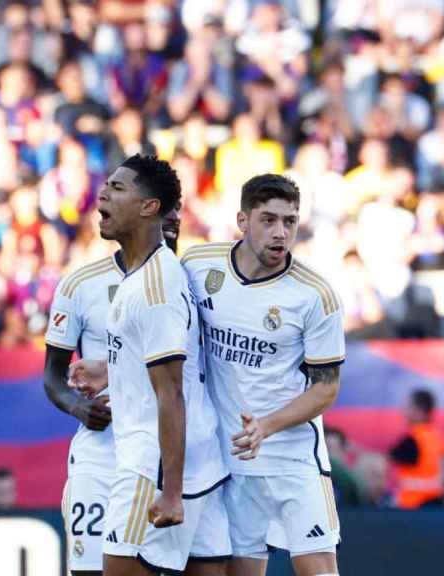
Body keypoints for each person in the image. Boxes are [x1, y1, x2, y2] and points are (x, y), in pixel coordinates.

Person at [72, 155, 230, 576]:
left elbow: (170, 392)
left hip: (154, 465)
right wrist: (112, 367)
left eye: (119, 188)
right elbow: (173, 359)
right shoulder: (149, 274)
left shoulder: (155, 288)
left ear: (150, 207)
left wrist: (171, 490)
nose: (103, 194)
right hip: (200, 462)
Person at [181, 174, 345, 576]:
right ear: (242, 219)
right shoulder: (198, 266)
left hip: (292, 459)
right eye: (268, 220)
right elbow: (164, 335)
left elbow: (326, 389)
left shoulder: (314, 295)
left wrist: (266, 427)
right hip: (231, 457)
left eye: (289, 222)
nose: (280, 233)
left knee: (319, 569)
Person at [43, 179, 182, 576]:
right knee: (89, 569)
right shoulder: (80, 284)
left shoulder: (186, 282)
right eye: (165, 211)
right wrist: (78, 406)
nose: (172, 220)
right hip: (101, 451)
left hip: (165, 454)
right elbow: (52, 377)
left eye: (177, 212)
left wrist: (113, 371)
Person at [388, 389, 444, 509]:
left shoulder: (413, 439)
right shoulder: (440, 438)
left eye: (407, 406)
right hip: (437, 505)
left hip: (412, 506)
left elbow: (384, 460)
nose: (403, 411)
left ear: (419, 410)